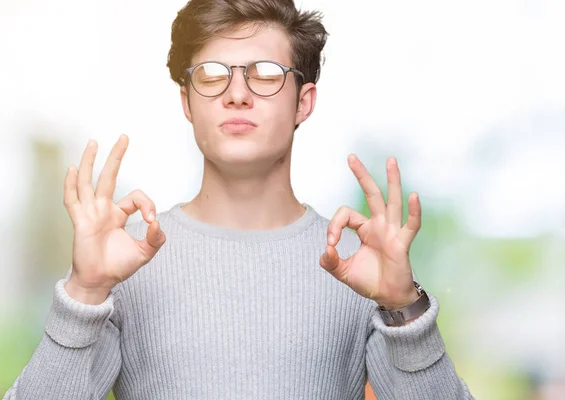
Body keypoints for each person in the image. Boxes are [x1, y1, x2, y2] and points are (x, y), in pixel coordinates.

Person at [4, 0, 474, 399]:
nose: (237, 94)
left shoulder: (359, 266)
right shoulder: (121, 260)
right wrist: (84, 294)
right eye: (211, 74)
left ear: (303, 102)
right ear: (187, 101)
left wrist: (404, 309)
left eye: (266, 74)